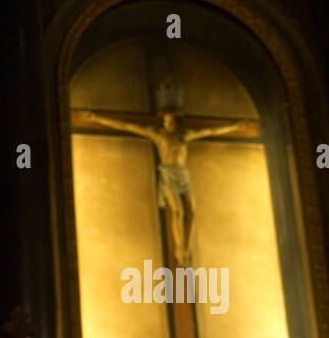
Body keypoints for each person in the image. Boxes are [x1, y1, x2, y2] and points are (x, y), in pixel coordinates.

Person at [77, 99, 241, 263]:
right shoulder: (159, 136)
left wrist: (234, 127)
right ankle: (179, 248)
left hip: (183, 174)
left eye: (170, 120)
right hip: (168, 174)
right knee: (177, 212)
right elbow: (127, 126)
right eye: (165, 120)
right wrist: (96, 119)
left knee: (192, 212)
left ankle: (188, 248)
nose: (168, 123)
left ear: (175, 121)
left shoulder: (184, 136)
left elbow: (211, 131)